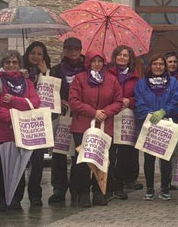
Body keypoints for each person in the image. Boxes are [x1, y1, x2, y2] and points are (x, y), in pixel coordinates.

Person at [0, 50, 42, 211]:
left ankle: (16, 199)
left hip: (21, 132)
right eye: (7, 62)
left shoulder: (27, 83)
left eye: (14, 62)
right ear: (2, 64)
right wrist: (15, 116)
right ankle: (3, 199)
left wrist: (15, 100)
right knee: (4, 168)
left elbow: (35, 102)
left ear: (19, 65)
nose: (11, 65)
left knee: (20, 165)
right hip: (2, 132)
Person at [68, 50, 125, 207]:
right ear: (88, 63)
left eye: (100, 61)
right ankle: (83, 193)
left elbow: (118, 101)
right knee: (84, 162)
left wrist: (105, 112)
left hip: (105, 126)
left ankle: (99, 192)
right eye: (93, 61)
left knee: (102, 160)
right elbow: (73, 101)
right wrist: (93, 112)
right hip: (83, 126)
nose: (97, 64)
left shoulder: (112, 80)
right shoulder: (79, 79)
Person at [134, 53, 178, 200]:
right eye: (155, 64)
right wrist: (149, 114)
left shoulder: (173, 82)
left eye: (161, 64)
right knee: (149, 159)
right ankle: (150, 188)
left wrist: (164, 111)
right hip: (149, 124)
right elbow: (139, 102)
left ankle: (165, 188)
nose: (158, 67)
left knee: (166, 158)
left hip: (167, 123)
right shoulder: (142, 83)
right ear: (150, 66)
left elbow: (177, 100)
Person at [48, 37, 86, 205]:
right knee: (59, 154)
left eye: (75, 49)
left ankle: (77, 188)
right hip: (62, 117)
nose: (72, 51)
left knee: (79, 153)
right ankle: (59, 189)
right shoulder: (56, 70)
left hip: (80, 117)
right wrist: (59, 100)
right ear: (64, 50)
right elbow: (49, 91)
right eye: (69, 48)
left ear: (80, 50)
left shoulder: (86, 70)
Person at [108, 45, 139, 198]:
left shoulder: (135, 77)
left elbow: (140, 97)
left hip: (126, 119)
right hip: (110, 117)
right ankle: (108, 185)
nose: (122, 57)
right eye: (119, 55)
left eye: (125, 55)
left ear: (130, 59)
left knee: (125, 153)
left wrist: (130, 101)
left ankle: (119, 185)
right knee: (110, 152)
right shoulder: (107, 74)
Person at [22, 41, 51, 206]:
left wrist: (45, 74)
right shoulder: (20, 72)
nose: (35, 56)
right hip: (23, 120)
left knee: (38, 159)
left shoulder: (48, 72)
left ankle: (35, 193)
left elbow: (51, 94)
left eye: (39, 54)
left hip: (40, 121)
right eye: (33, 53)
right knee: (21, 160)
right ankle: (16, 194)